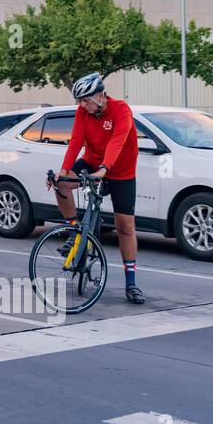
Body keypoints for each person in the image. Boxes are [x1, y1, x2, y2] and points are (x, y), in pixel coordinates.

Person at [56, 72, 144, 304]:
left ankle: (131, 283)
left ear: (99, 95)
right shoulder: (82, 113)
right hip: (93, 162)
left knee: (125, 226)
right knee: (61, 184)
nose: (82, 105)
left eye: (86, 100)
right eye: (80, 102)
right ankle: (74, 231)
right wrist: (64, 170)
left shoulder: (121, 109)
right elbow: (76, 140)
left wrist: (105, 168)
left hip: (121, 172)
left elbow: (118, 140)